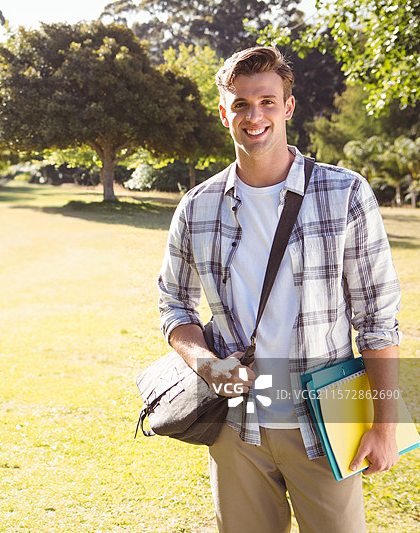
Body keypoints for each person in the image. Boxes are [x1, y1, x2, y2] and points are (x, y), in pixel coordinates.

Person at [157, 46, 402, 533]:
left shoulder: (345, 193)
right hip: (237, 427)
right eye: (242, 104)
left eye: (267, 101)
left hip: (329, 420)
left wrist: (385, 424)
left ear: (287, 107)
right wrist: (207, 364)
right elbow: (174, 305)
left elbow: (377, 318)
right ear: (224, 112)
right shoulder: (196, 207)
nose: (255, 116)